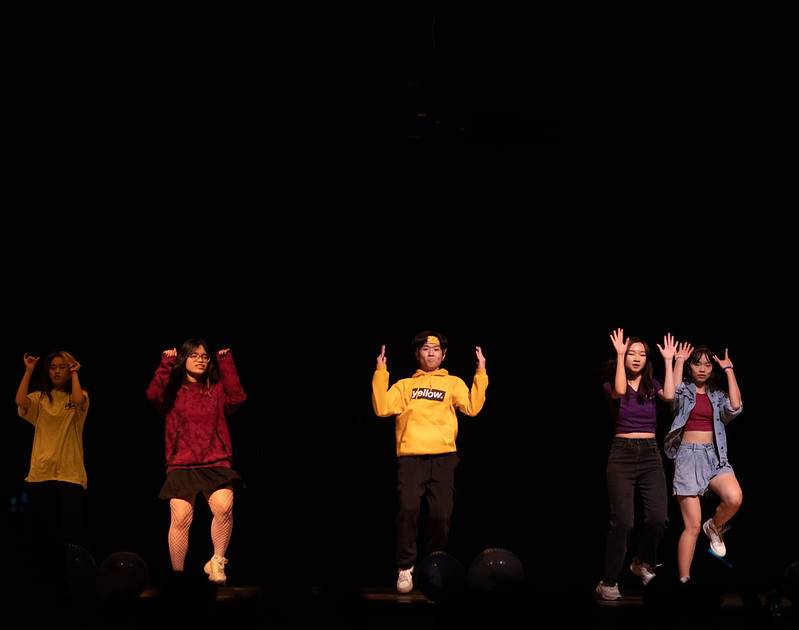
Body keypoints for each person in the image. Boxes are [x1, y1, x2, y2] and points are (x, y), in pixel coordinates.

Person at [372, 331, 488, 593]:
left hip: (444, 456)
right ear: (417, 354)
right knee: (408, 510)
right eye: (425, 349)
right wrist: (381, 371)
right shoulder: (404, 385)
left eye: (436, 350)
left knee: (440, 516)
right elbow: (381, 408)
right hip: (411, 456)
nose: (431, 353)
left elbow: (472, 407)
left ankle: (430, 563)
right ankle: (405, 566)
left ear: (443, 355)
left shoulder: (453, 383)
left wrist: (480, 373)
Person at [146, 338, 246, 585]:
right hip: (182, 463)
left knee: (223, 507)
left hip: (215, 460)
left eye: (205, 356)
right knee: (181, 518)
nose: (201, 360)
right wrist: (166, 363)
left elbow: (237, 398)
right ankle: (178, 577)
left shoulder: (216, 389)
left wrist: (226, 362)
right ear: (184, 359)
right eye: (195, 355)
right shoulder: (173, 391)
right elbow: (153, 394)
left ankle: (217, 560)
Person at [596, 329, 676, 601]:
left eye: (642, 354)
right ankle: (608, 582)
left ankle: (642, 561)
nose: (637, 358)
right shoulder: (612, 383)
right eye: (632, 353)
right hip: (622, 455)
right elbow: (619, 390)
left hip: (651, 454)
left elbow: (670, 396)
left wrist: (669, 360)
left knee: (658, 518)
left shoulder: (653, 386)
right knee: (624, 523)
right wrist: (619, 354)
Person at [665, 343, 743, 584]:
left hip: (714, 456)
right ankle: (684, 581)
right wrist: (678, 360)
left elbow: (736, 407)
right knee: (692, 527)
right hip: (688, 458)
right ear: (690, 367)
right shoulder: (684, 391)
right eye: (697, 363)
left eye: (707, 365)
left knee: (734, 497)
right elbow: (672, 392)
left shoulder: (717, 395)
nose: (702, 369)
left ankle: (715, 526)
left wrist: (729, 370)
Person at [15, 350, 90, 551]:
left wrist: (75, 374)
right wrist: (29, 371)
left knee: (74, 531)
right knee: (44, 531)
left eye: (62, 367)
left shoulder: (80, 395)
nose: (56, 371)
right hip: (41, 473)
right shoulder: (40, 398)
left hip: (70, 474)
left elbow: (78, 402)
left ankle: (80, 574)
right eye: (52, 367)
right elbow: (20, 401)